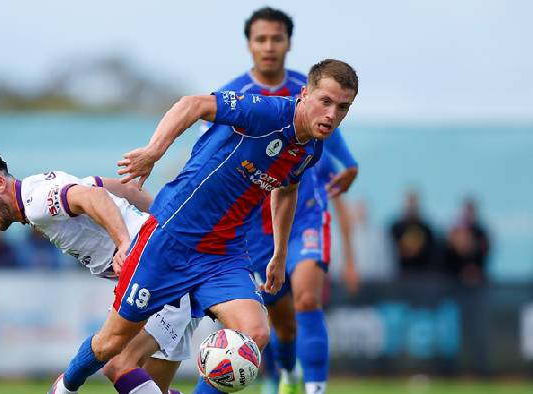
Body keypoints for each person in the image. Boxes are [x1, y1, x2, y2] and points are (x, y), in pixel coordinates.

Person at [53, 58, 358, 394]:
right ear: (304, 94)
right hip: (171, 238)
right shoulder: (267, 113)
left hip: (222, 254)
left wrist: (280, 254)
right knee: (110, 344)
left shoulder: (311, 149)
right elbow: (193, 104)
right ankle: (66, 386)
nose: (332, 115)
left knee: (256, 334)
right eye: (325, 102)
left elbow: (285, 190)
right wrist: (153, 152)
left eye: (342, 107)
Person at [0, 149, 196, 394]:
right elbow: (125, 190)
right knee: (150, 383)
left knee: (117, 363)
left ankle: (63, 387)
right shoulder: (41, 185)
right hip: (164, 263)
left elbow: (95, 198)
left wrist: (125, 245)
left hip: (155, 270)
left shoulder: (37, 203)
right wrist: (164, 223)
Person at [201, 9, 359, 394]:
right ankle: (283, 375)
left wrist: (350, 165)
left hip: (304, 211)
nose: (269, 47)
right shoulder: (234, 94)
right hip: (253, 226)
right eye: (261, 39)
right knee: (279, 322)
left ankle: (315, 389)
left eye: (277, 38)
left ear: (288, 43)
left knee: (307, 298)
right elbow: (209, 154)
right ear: (250, 44)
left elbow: (330, 138)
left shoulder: (313, 92)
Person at [389, 189, 438, 278]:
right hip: (399, 275)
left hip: (422, 275)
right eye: (409, 202)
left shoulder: (426, 228)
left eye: (414, 202)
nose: (411, 205)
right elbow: (390, 252)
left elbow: (432, 252)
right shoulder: (396, 228)